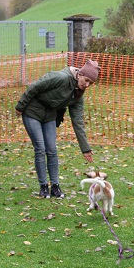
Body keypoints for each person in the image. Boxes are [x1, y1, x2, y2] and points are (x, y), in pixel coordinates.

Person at [15, 60, 99, 199]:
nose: (87, 85)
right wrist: (20, 106)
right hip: (32, 111)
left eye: (91, 83)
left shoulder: (78, 94)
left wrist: (85, 148)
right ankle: (43, 187)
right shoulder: (60, 77)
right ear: (80, 74)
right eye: (86, 80)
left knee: (52, 149)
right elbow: (35, 86)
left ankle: (55, 186)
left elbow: (78, 121)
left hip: (50, 115)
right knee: (40, 148)